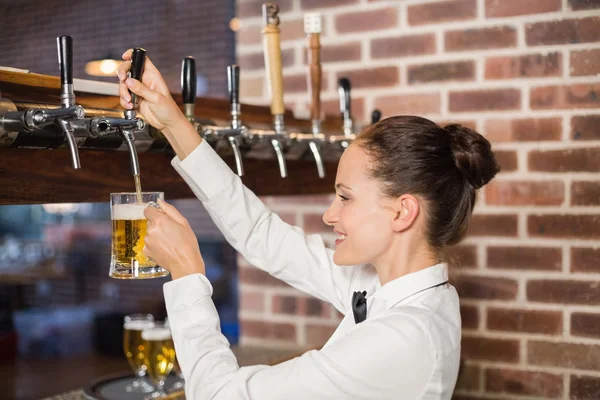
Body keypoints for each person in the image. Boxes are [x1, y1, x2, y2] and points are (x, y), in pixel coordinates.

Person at [117, 49, 499, 400]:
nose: (329, 215)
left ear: (403, 212)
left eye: (345, 197)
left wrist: (187, 276)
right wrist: (173, 124)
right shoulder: (392, 285)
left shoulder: (403, 339)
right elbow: (262, 235)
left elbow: (219, 396)